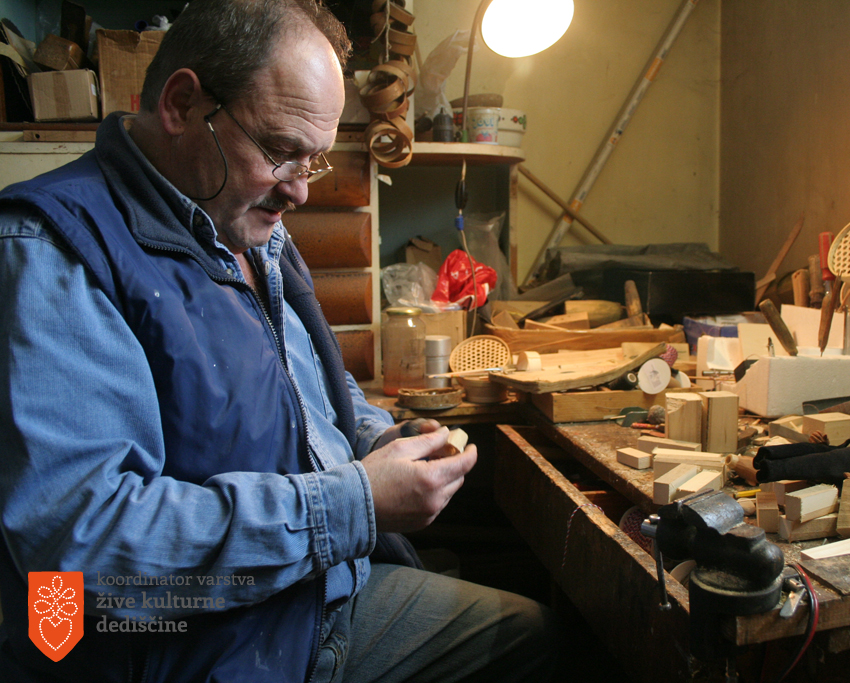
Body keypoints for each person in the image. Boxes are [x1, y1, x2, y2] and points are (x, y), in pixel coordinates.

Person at [0, 1, 556, 681]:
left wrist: (377, 438)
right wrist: (354, 503)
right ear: (181, 105)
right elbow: (79, 551)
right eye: (281, 152)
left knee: (531, 635)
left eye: (313, 162)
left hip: (310, 603)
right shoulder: (54, 249)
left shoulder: (241, 220)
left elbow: (307, 383)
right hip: (188, 651)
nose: (299, 191)